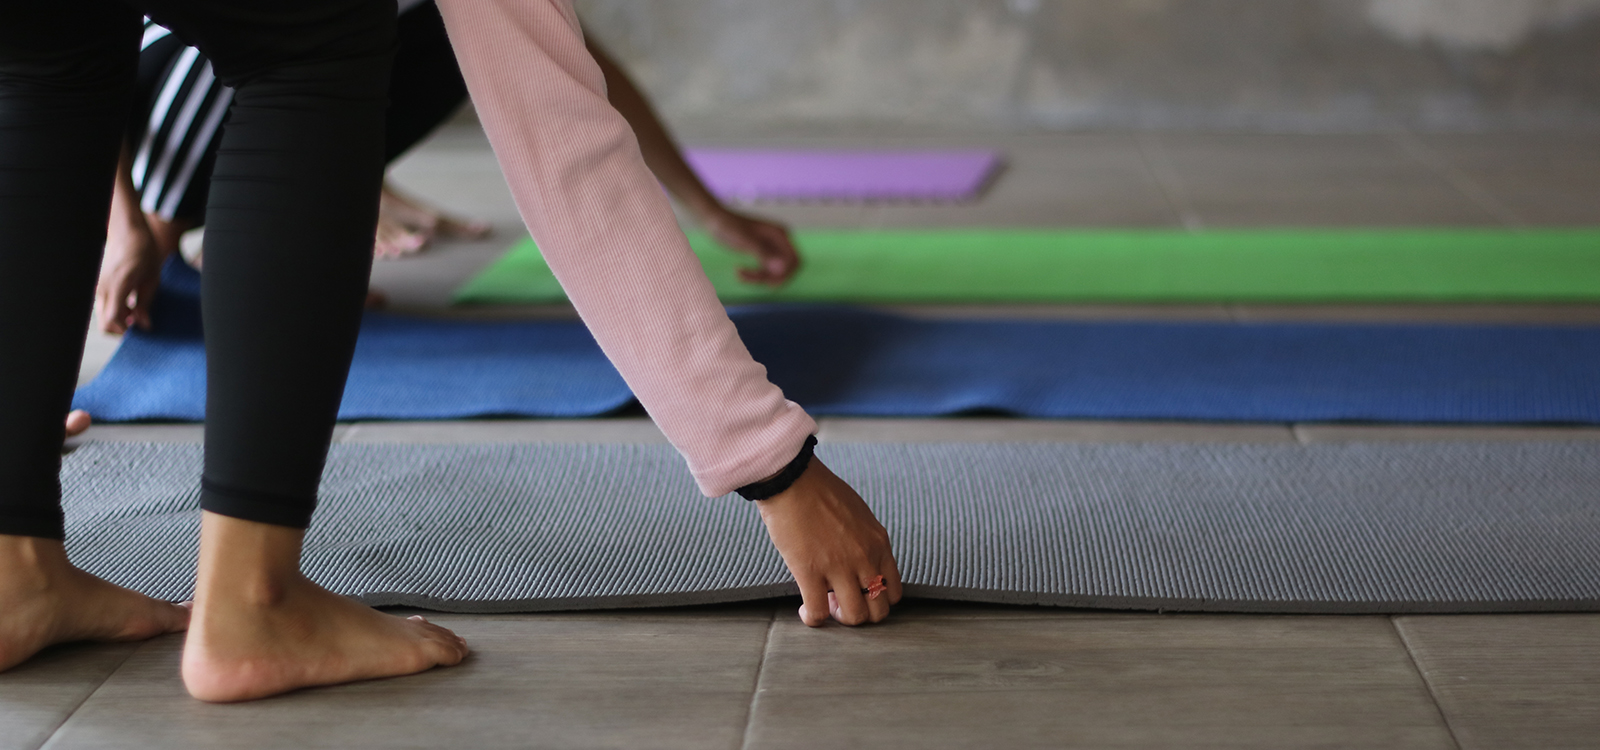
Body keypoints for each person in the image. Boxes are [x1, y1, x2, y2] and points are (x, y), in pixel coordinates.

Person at [5, 0, 899, 703]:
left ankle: (15, 570)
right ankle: (252, 606)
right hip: (179, 122)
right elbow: (563, 146)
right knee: (307, 45)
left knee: (46, 65)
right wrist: (771, 464)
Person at [93, 2, 800, 336]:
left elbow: (571, 71)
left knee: (458, 32)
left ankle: (263, 229)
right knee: (151, 289)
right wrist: (126, 228)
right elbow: (94, 59)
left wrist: (711, 211)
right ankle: (177, 226)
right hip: (162, 84)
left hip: (288, 80)